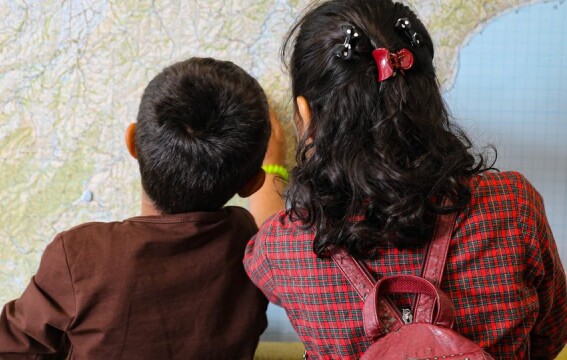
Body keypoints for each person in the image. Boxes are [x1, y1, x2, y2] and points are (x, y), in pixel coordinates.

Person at [243, 0, 567, 358]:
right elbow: (551, 338)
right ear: (428, 95)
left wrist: (272, 166)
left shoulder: (284, 247)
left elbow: (264, 249)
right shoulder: (513, 206)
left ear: (304, 114)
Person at [0, 57, 286, 359]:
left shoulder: (80, 256)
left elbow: (11, 348)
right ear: (252, 183)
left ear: (132, 142)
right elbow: (270, 225)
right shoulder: (251, 247)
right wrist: (274, 168)